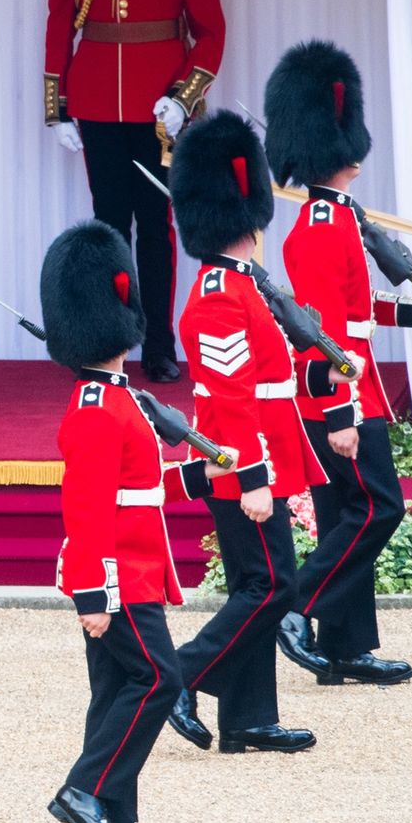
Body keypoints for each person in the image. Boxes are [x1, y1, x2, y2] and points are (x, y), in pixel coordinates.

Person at [39, 220, 214, 823]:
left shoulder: (119, 400)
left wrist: (200, 475)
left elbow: (139, 486)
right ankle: (84, 792)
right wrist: (93, 592)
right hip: (114, 575)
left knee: (116, 691)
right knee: (159, 681)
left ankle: (112, 820)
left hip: (132, 567)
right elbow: (84, 511)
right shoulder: (95, 408)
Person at [265, 41, 412, 687]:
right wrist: (339, 410)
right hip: (339, 396)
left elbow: (355, 311)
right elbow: (321, 330)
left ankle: (346, 648)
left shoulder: (332, 219)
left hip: (343, 386)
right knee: (377, 509)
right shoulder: (319, 225)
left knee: (346, 515)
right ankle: (297, 608)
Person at [42, 0, 223, 384]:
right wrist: (58, 106)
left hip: (157, 108)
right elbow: (58, 20)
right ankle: (104, 344)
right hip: (96, 99)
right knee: (108, 227)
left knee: (156, 226)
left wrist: (182, 97)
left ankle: (160, 346)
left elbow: (210, 30)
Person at [165, 111, 318, 755]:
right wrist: (253, 478)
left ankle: (249, 717)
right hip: (244, 463)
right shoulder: (221, 293)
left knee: (260, 582)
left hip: (264, 454)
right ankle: (180, 675)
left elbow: (271, 376)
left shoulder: (240, 285)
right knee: (269, 585)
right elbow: (230, 398)